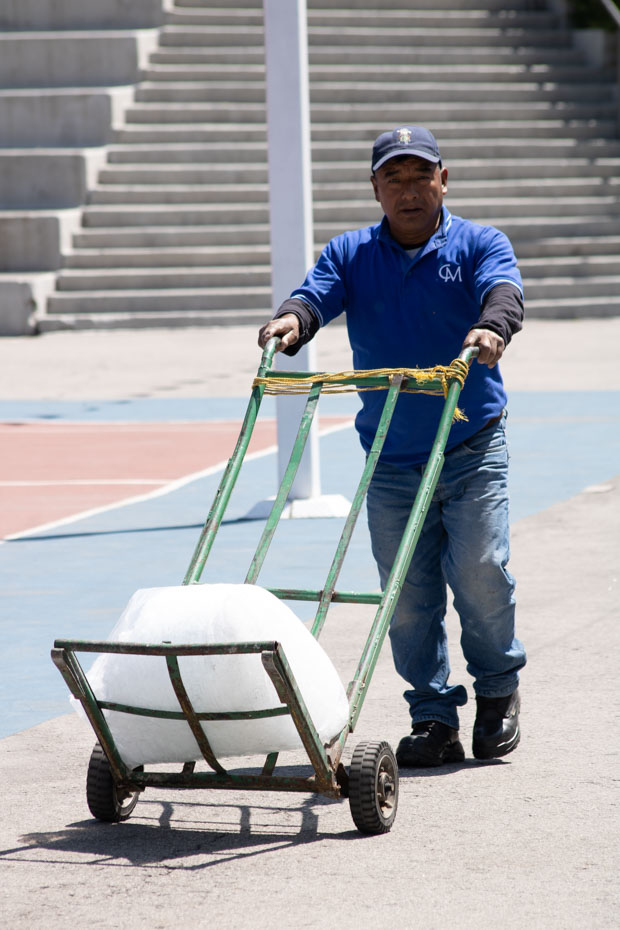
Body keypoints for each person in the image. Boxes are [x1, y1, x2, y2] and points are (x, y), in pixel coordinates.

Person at [258, 125, 526, 767]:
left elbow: (504, 292)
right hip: (390, 455)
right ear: (375, 187)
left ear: (442, 180)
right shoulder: (351, 253)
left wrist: (491, 329)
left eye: (419, 176)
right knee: (405, 595)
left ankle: (496, 692)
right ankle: (432, 715)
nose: (408, 191)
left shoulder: (479, 242)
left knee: (480, 571)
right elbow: (316, 294)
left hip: (469, 444)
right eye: (393, 178)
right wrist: (291, 322)